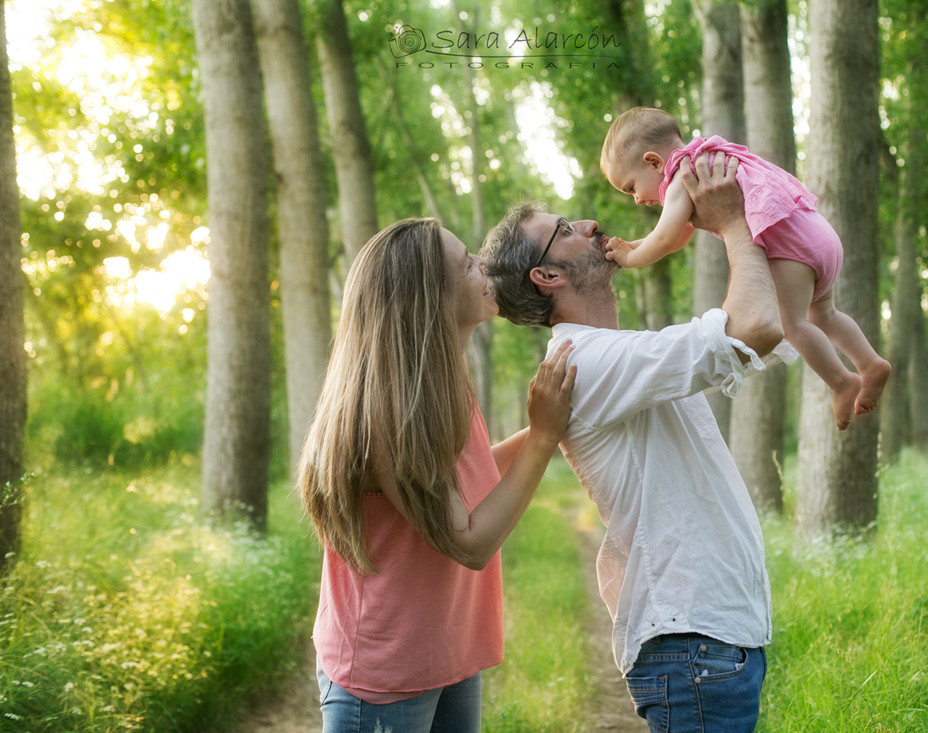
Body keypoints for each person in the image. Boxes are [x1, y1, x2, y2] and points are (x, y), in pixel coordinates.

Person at [481, 155, 793, 733]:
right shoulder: (589, 361)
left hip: (706, 643)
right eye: (567, 229)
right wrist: (730, 224)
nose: (594, 225)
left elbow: (770, 324)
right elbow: (755, 326)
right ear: (547, 277)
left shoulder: (612, 355)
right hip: (693, 646)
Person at [297, 217, 576, 733]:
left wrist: (552, 429)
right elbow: (468, 542)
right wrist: (540, 437)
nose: (485, 264)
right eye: (467, 263)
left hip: (444, 648)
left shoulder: (442, 381)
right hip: (386, 676)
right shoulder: (389, 408)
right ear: (428, 299)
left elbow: (461, 482)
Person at [600, 106, 890, 430]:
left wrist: (628, 259)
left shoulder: (681, 176)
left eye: (630, 188)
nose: (637, 199)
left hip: (791, 250)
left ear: (653, 162)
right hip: (816, 232)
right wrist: (632, 245)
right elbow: (675, 236)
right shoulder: (706, 158)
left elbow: (666, 239)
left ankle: (841, 382)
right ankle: (870, 363)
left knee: (793, 325)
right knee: (825, 315)